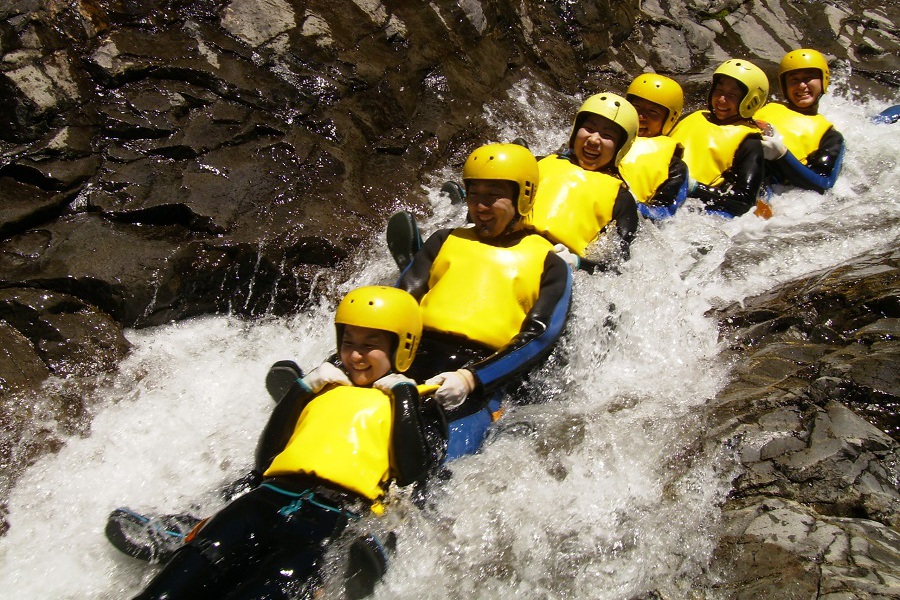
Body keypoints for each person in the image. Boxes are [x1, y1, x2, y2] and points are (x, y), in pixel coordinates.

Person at [130, 286, 446, 600]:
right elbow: (265, 461)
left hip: (329, 521)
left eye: (369, 345)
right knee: (174, 583)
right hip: (261, 504)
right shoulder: (322, 389)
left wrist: (404, 397)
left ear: (401, 348)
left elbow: (413, 471)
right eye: (348, 343)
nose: (355, 355)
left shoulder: (409, 401)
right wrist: (300, 389)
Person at [395, 143, 572, 460]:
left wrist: (472, 378)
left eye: (494, 195)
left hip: (481, 382)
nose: (482, 206)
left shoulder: (550, 262)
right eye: (475, 194)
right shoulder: (444, 240)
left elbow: (539, 339)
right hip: (412, 359)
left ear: (524, 197)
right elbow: (398, 304)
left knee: (437, 464)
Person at [525, 93, 640, 271]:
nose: (594, 140)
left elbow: (618, 266)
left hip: (559, 270)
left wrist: (577, 263)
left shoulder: (622, 199)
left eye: (607, 135)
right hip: (516, 249)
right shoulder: (537, 164)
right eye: (589, 128)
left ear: (620, 148)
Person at [669, 58, 768, 218]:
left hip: (700, 211)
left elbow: (745, 201)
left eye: (732, 95)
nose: (722, 99)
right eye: (719, 91)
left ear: (751, 100)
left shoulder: (751, 142)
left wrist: (693, 187)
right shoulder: (693, 117)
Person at [754, 48, 845, 193]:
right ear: (784, 86)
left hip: (767, 186)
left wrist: (782, 155)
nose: (802, 85)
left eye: (808, 78)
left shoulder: (831, 137)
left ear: (824, 80)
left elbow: (823, 182)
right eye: (794, 80)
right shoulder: (762, 109)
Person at [618, 73, 690, 220]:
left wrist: (623, 204)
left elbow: (665, 214)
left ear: (669, 119)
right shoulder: (605, 139)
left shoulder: (675, 167)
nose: (640, 117)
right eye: (636, 107)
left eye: (653, 112)